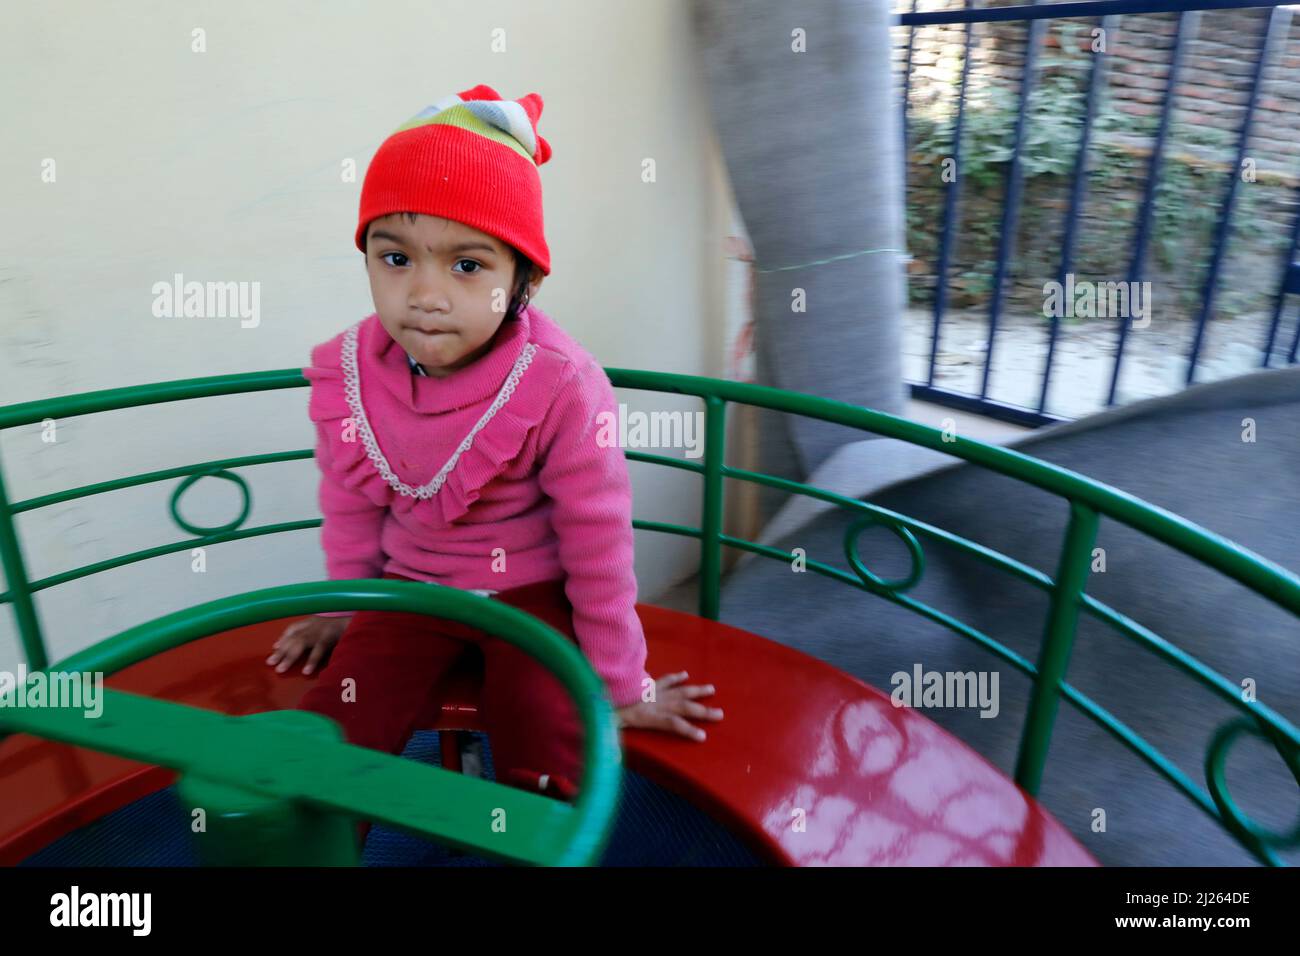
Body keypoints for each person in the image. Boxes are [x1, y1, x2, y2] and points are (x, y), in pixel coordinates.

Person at [265, 84, 722, 813]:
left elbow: (598, 543)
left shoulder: (560, 382)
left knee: (547, 732)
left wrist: (620, 685)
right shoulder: (348, 371)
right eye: (395, 257)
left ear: (524, 281)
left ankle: (534, 827)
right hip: (409, 589)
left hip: (535, 596)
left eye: (467, 265)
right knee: (333, 728)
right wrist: (347, 609)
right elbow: (349, 501)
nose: (425, 294)